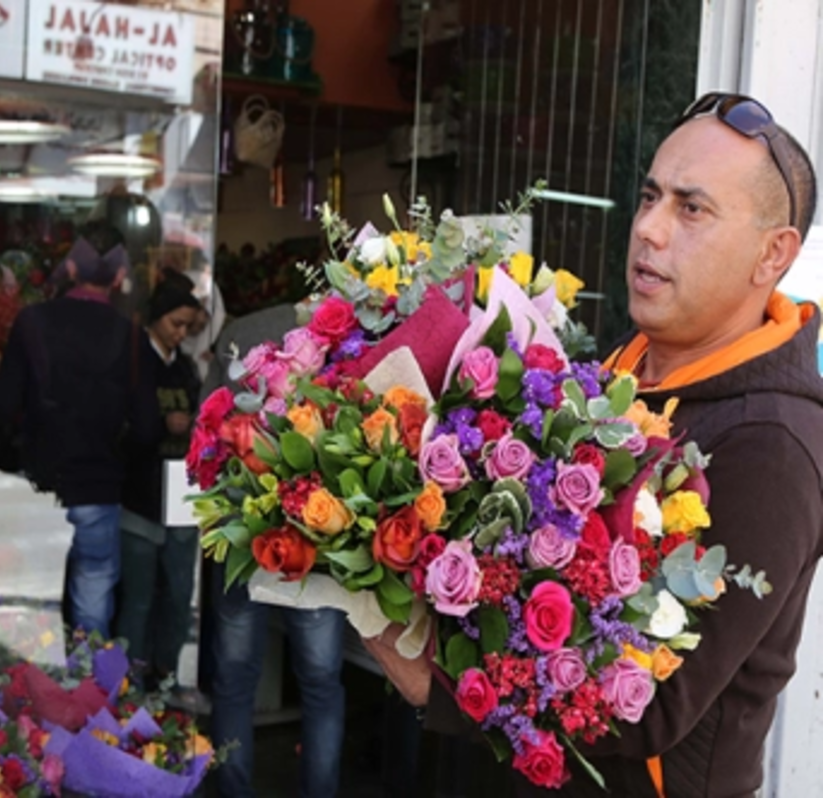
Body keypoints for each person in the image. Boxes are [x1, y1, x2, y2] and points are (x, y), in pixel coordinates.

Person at [365, 92, 823, 797]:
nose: (650, 229)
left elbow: (650, 711)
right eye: (649, 197)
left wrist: (435, 687)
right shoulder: (621, 373)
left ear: (773, 255)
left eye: (691, 208)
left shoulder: (772, 446)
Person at [208, 302, 348, 798]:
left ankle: (232, 790)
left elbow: (207, 435)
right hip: (314, 538)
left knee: (233, 680)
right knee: (320, 684)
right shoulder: (348, 344)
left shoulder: (241, 332)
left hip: (244, 534)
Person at [0, 228, 149, 637]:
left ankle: (30, 694)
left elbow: (3, 404)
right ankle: (87, 693)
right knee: (92, 608)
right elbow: (146, 425)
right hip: (97, 485)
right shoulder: (129, 335)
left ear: (71, 267)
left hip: (39, 483)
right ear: (118, 277)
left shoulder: (32, 322)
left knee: (32, 607)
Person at [116, 281, 202, 692]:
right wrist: (160, 426)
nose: (181, 333)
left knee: (179, 592)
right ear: (156, 319)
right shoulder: (132, 364)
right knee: (138, 597)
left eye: (187, 326)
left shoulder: (185, 368)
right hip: (140, 494)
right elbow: (119, 428)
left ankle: (164, 671)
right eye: (176, 323)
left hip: (181, 494)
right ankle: (128, 676)